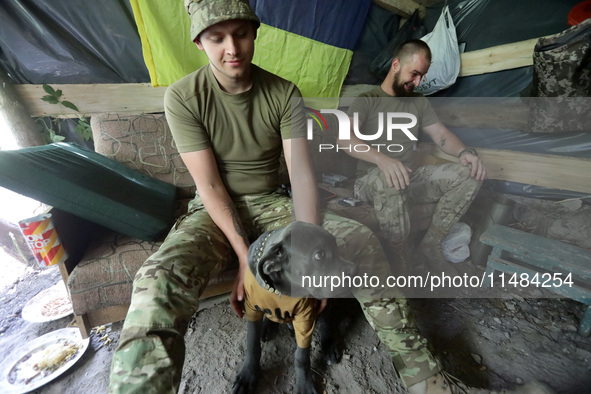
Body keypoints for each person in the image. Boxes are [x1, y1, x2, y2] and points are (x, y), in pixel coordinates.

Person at [108, 3, 553, 394]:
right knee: (157, 279)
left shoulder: (283, 93)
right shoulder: (183, 97)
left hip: (273, 201)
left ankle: (429, 381)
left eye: (240, 33)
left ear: (255, 32)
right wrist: (246, 260)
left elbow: (301, 173)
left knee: (360, 241)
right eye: (217, 37)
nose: (232, 48)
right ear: (199, 42)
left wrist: (310, 263)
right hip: (213, 211)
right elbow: (210, 187)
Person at [342, 39, 486, 276]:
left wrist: (464, 153)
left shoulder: (418, 102)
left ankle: (431, 247)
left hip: (409, 177)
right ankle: (400, 263)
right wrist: (382, 160)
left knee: (470, 173)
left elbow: (440, 134)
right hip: (370, 181)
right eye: (415, 73)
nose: (418, 82)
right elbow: (345, 140)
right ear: (396, 64)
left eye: (423, 76)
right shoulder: (367, 99)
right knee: (391, 178)